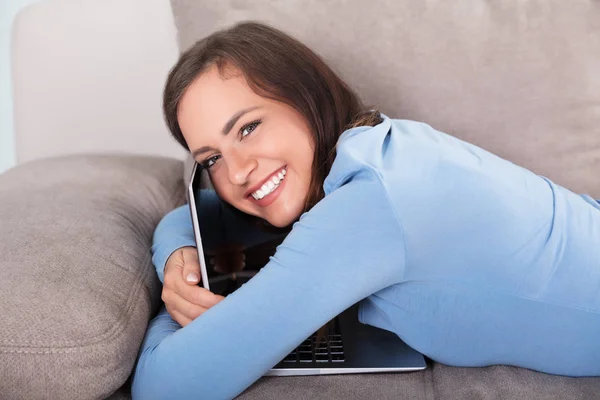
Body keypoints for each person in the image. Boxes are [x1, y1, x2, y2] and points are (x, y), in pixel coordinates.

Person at [131, 21, 600, 399]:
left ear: (304, 98)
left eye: (249, 128)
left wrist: (175, 310)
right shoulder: (375, 151)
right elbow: (188, 216)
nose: (235, 173)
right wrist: (179, 259)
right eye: (210, 159)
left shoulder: (364, 212)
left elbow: (164, 387)